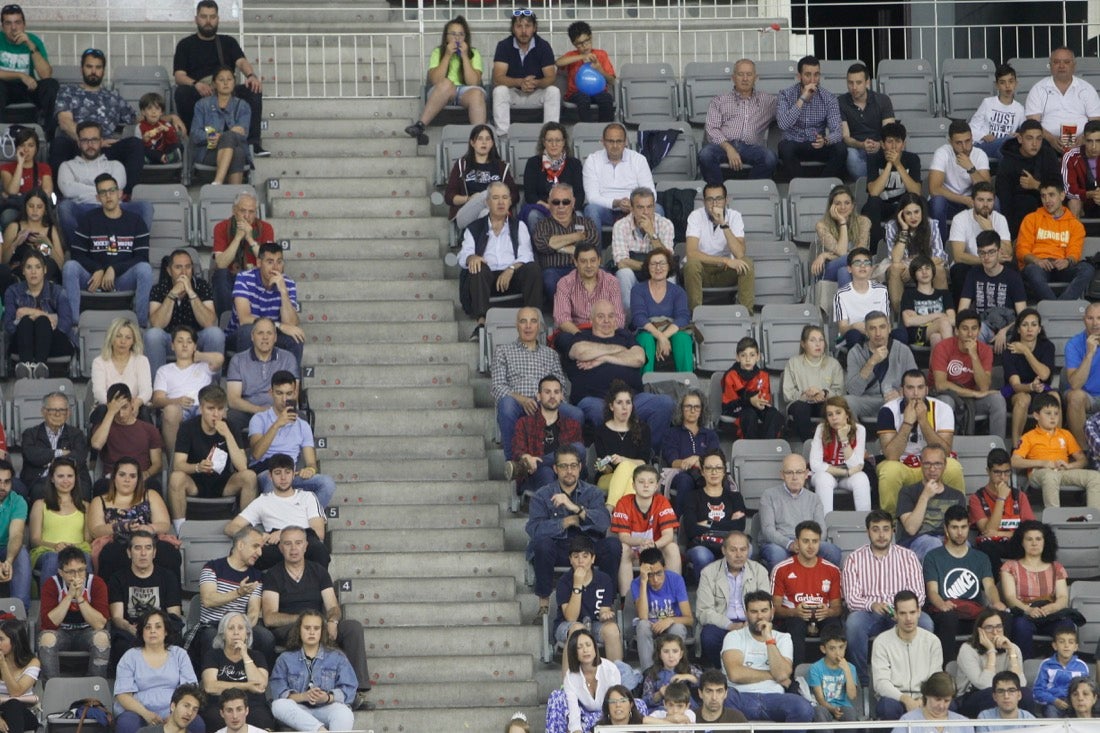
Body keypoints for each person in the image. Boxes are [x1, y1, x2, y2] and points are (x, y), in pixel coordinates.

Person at [260, 527, 372, 710]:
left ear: (306, 546)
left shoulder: (318, 571)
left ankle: (356, 691)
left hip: (320, 623)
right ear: (280, 548)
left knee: (352, 627)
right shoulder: (273, 575)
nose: (293, 548)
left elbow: (333, 607)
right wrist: (306, 620)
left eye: (298, 543)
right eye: (287, 544)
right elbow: (270, 618)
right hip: (290, 627)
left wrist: (333, 621)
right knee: (308, 628)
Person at [562, 299, 675, 450]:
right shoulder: (581, 336)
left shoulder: (625, 336)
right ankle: (612, 456)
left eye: (610, 316)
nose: (606, 321)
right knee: (598, 412)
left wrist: (603, 358)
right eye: (601, 316)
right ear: (591, 319)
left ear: (616, 319)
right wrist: (622, 351)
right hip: (595, 399)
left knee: (665, 404)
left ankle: (647, 453)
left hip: (633, 399)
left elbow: (639, 358)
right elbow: (581, 352)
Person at [842, 510, 934, 684]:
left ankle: (917, 677)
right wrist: (872, 604)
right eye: (875, 529)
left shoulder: (908, 557)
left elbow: (919, 595)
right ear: (867, 532)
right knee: (853, 624)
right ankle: (861, 680)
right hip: (869, 612)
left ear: (893, 530)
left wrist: (901, 610)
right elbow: (851, 598)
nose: (881, 535)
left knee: (925, 623)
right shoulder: (854, 558)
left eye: (886, 529)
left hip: (901, 610)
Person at [52, 50, 152, 200]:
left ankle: (125, 196)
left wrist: (170, 117)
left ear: (103, 71)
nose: (94, 71)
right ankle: (59, 199)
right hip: (78, 146)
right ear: (82, 69)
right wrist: (93, 141)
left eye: (98, 67)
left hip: (107, 150)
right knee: (59, 143)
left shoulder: (112, 96)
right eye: (89, 66)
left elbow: (136, 119)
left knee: (135, 144)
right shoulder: (68, 92)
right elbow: (65, 122)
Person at [173, 0, 265, 156]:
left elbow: (241, 62)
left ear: (218, 19)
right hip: (201, 89)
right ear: (196, 19)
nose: (208, 21)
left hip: (226, 87)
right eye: (204, 17)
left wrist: (251, 76)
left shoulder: (228, 42)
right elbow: (179, 76)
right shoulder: (185, 44)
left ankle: (252, 143)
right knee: (182, 93)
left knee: (253, 89)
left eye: (212, 17)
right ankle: (193, 142)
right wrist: (196, 84)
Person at [63, 173, 154, 328]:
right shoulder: (88, 219)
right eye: (103, 193)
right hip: (93, 279)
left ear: (120, 194)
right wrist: (97, 269)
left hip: (123, 279)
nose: (108, 196)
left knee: (145, 270)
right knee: (69, 267)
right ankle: (74, 325)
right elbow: (77, 254)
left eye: (112, 191)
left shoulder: (136, 221)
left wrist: (114, 269)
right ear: (98, 198)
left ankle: (141, 326)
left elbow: (142, 257)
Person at [458, 181, 542, 339]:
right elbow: (463, 255)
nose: (501, 202)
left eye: (505, 197)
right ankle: (481, 323)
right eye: (496, 198)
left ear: (511, 201)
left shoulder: (519, 226)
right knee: (476, 268)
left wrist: (510, 269)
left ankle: (534, 319)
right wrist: (472, 257)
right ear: (487, 202)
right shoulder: (474, 228)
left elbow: (526, 255)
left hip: (513, 276)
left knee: (533, 269)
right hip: (486, 279)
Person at [923, 505, 1007, 662]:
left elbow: (989, 586)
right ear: (946, 528)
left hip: (973, 614)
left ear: (969, 527)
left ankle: (1000, 667)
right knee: (948, 617)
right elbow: (932, 591)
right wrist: (942, 604)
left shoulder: (980, 557)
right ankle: (945, 670)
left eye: (963, 527)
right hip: (945, 613)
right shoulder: (933, 557)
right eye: (954, 527)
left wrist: (996, 602)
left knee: (1003, 616)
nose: (960, 532)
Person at [876, 369, 965, 517]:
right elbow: (891, 455)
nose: (916, 393)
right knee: (889, 470)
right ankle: (890, 522)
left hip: (930, 464)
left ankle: (957, 518)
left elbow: (945, 452)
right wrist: (907, 423)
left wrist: (923, 421)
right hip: (901, 464)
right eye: (910, 388)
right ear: (902, 390)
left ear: (927, 389)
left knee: (953, 467)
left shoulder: (943, 409)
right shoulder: (887, 411)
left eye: (920, 387)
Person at [721, 589, 814, 724]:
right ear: (746, 614)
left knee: (803, 708)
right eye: (754, 612)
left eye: (764, 611)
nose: (760, 616)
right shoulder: (734, 636)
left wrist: (769, 639)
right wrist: (773, 675)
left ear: (772, 612)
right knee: (723, 699)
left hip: (775, 698)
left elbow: (782, 674)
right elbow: (735, 674)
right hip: (740, 697)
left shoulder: (783, 638)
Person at [168, 384, 257, 524]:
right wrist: (198, 467)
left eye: (220, 409)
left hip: (223, 482)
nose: (216, 414)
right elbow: (178, 465)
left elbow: (242, 467)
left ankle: (244, 527)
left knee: (249, 476)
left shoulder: (231, 426)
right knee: (176, 477)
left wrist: (228, 435)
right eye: (211, 408)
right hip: (195, 482)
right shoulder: (188, 427)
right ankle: (180, 529)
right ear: (201, 409)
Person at [192, 526, 276, 673]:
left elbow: (254, 612)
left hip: (241, 625)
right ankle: (207, 683)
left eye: (261, 548)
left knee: (266, 638)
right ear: (240, 545)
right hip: (212, 625)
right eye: (256, 546)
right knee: (210, 636)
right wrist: (238, 592)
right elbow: (208, 600)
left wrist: (241, 630)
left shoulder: (256, 576)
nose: (260, 553)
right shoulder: (213, 567)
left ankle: (260, 683)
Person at [224, 453, 327, 570]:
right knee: (250, 555)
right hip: (276, 544)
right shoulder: (263, 501)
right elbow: (231, 527)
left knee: (319, 550)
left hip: (304, 540)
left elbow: (319, 533)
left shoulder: (308, 497)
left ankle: (322, 587)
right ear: (270, 476)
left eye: (287, 472)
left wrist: (284, 534)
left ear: (294, 474)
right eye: (278, 473)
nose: (283, 478)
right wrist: (258, 536)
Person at [86, 456, 180, 585]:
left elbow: (164, 524)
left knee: (168, 553)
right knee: (110, 555)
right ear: (114, 477)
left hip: (147, 540)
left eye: (132, 476)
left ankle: (171, 601)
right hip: (116, 542)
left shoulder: (150, 494)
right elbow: (95, 530)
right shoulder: (99, 500)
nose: (127, 480)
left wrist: (149, 528)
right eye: (122, 475)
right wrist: (121, 526)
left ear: (138, 479)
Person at [248, 371, 335, 507]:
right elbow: (257, 453)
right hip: (266, 471)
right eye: (279, 393)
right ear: (271, 393)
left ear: (295, 394)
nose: (284, 399)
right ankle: (274, 526)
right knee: (275, 479)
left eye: (289, 394)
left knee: (327, 483)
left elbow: (311, 462)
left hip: (291, 473)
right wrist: (277, 424)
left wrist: (310, 470)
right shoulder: (259, 419)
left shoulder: (303, 425)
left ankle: (305, 521)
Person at [114, 609, 201, 733]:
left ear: (165, 631)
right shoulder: (130, 656)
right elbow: (123, 695)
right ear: (142, 632)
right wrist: (146, 714)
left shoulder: (179, 654)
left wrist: (173, 716)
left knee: (197, 723)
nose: (152, 631)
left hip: (175, 711)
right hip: (139, 712)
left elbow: (190, 691)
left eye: (158, 627)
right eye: (147, 627)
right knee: (126, 723)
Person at [269, 610, 357, 731]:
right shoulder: (285, 659)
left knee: (344, 713)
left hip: (327, 708)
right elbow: (279, 693)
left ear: (322, 631)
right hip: (298, 710)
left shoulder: (337, 657)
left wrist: (327, 697)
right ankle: (320, 730)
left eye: (316, 628)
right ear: (299, 630)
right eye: (307, 628)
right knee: (278, 706)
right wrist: (304, 696)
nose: (311, 632)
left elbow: (350, 689)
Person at [771, 520, 843, 667]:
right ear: (797, 543)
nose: (810, 546)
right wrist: (794, 612)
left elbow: (838, 608)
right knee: (795, 626)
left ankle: (837, 675)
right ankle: (794, 678)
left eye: (815, 541)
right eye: (805, 541)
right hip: (793, 618)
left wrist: (828, 612)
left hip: (823, 617)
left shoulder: (832, 570)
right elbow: (775, 609)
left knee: (835, 628)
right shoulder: (781, 569)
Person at [107, 530, 185, 665]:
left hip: (161, 629)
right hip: (131, 631)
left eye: (148, 548)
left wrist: (157, 630)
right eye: (137, 548)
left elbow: (174, 615)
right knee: (120, 643)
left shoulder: (168, 577)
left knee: (176, 641)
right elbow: (117, 618)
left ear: (154, 553)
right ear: (129, 553)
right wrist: (132, 628)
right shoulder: (117, 578)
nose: (143, 553)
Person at [404, 16, 486, 143]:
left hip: (466, 92)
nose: (457, 38)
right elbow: (436, 80)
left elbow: (473, 82)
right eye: (453, 34)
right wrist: (447, 55)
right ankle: (420, 126)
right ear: (446, 37)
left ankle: (480, 138)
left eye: (461, 34)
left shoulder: (474, 53)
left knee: (477, 93)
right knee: (446, 84)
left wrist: (464, 56)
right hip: (442, 91)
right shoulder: (438, 52)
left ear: (466, 37)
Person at [696, 531, 769, 670]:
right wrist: (729, 625)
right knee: (709, 636)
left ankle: (751, 670)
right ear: (724, 550)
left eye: (743, 549)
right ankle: (723, 671)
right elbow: (703, 612)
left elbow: (766, 606)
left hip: (751, 621)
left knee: (765, 631)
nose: (739, 555)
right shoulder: (708, 572)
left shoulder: (760, 571)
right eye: (733, 550)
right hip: (721, 623)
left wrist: (752, 621)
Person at [697, 59, 777, 183]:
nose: (745, 78)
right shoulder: (719, 100)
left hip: (752, 148)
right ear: (733, 78)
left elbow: (787, 115)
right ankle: (719, 193)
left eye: (749, 74)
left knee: (770, 158)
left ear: (756, 78)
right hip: (723, 146)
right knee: (705, 154)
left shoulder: (768, 102)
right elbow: (711, 129)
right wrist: (729, 149)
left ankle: (749, 192)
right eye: (740, 74)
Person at [1000, 520, 1073, 659]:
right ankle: (1024, 667)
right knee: (1020, 625)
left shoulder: (1056, 567)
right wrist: (1029, 610)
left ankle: (1058, 667)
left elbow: (1063, 598)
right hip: (1023, 614)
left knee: (1067, 625)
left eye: (1038, 539)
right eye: (1029, 539)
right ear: (1021, 542)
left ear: (1045, 542)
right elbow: (1010, 598)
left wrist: (1051, 608)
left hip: (1050, 614)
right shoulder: (1010, 567)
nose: (1034, 543)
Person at [930, 309, 1007, 437]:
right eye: (965, 329)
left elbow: (984, 387)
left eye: (974, 328)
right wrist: (974, 393)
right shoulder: (943, 347)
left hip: (971, 399)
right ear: (956, 331)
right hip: (946, 396)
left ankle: (998, 450)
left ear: (979, 330)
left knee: (997, 400)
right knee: (946, 401)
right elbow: (941, 385)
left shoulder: (985, 351)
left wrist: (974, 356)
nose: (970, 334)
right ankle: (946, 449)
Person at [37, 544, 109, 680]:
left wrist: (80, 598)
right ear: (60, 572)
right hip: (61, 632)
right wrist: (69, 596)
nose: (76, 576)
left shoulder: (96, 583)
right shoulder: (51, 584)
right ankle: (53, 687)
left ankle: (95, 686)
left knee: (102, 638)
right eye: (70, 572)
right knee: (46, 638)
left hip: (87, 632)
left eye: (81, 570)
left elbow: (100, 624)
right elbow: (49, 624)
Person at [757, 454, 841, 570]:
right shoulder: (769, 495)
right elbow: (768, 530)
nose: (795, 477)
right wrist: (790, 544)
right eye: (789, 472)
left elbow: (821, 530)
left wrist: (807, 544)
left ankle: (818, 585)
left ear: (806, 474)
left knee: (833, 551)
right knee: (777, 555)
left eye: (799, 472)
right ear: (782, 475)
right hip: (780, 543)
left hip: (807, 541)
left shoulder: (814, 498)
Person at [1015, 393, 1100, 508]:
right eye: (1048, 413)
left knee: (1095, 477)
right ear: (1036, 415)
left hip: (1063, 471)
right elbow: (1014, 461)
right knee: (1050, 476)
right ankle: (1054, 518)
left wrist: (1069, 466)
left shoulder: (1065, 434)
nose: (1053, 417)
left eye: (1056, 413)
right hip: (1039, 472)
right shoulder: (1028, 436)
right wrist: (1043, 463)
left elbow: (1083, 460)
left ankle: (1095, 520)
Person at [150, 326, 222, 461]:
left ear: (194, 345)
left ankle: (206, 460)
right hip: (179, 409)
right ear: (172, 346)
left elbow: (219, 359)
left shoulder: (204, 366)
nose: (184, 345)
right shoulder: (164, 370)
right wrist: (176, 401)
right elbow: (157, 400)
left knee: (212, 410)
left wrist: (199, 356)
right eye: (180, 341)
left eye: (189, 342)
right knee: (170, 411)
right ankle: (174, 463)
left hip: (202, 407)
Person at [871, 590, 945, 720]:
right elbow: (881, 683)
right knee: (887, 706)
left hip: (926, 698)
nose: (908, 618)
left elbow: (936, 679)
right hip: (896, 698)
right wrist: (905, 699)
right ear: (895, 614)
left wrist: (923, 700)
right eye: (903, 613)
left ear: (919, 612)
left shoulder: (932, 641)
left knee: (948, 704)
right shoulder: (881, 642)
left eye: (912, 612)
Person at [508, 374, 583, 500]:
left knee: (578, 449)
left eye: (556, 392)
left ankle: (540, 461)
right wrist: (525, 456)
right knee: (547, 472)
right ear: (538, 396)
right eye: (547, 392)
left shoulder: (572, 425)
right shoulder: (525, 423)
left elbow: (579, 458)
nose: (552, 396)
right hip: (537, 476)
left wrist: (536, 460)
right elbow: (517, 450)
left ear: (561, 396)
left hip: (567, 474)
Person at [227, 242, 304, 366]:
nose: (275, 267)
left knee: (295, 338)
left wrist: (283, 292)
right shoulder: (244, 278)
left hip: (272, 333)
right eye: (270, 262)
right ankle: (249, 382)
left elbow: (291, 324)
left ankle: (290, 383)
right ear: (259, 263)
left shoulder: (288, 283)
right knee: (248, 331)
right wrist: (279, 325)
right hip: (240, 334)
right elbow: (244, 319)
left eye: (279, 262)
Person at [682, 182, 755, 311]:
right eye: (710, 199)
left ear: (726, 200)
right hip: (701, 269)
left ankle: (745, 316)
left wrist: (723, 224)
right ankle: (695, 316)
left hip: (725, 271)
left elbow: (740, 254)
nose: (714, 204)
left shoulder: (735, 216)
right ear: (704, 202)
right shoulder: (695, 216)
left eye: (719, 199)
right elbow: (691, 253)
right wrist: (725, 260)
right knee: (691, 265)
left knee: (746, 263)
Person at [1017, 178, 1093, 301]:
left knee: (1087, 269)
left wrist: (1068, 261)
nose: (1047, 200)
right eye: (1043, 196)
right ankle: (1057, 306)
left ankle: (1059, 306)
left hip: (1062, 265)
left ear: (1062, 196)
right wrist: (1036, 260)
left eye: (1051, 195)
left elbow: (1075, 251)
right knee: (1031, 270)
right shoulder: (1031, 219)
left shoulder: (1075, 224)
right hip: (1039, 265)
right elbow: (1022, 250)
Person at [3, 249, 73, 379]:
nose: (33, 272)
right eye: (29, 267)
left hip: (52, 342)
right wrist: (34, 323)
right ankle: (26, 366)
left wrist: (34, 313)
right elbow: (9, 325)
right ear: (23, 271)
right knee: (26, 322)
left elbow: (65, 324)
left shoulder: (58, 291)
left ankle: (40, 366)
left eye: (38, 267)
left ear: (44, 270)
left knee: (41, 321)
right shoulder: (12, 292)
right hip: (23, 342)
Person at [224, 317, 298, 439]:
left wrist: (277, 412)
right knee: (230, 419)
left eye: (269, 333)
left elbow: (293, 394)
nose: (265, 337)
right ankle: (238, 456)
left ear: (275, 337)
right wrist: (259, 410)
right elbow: (233, 400)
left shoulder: (288, 358)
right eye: (260, 333)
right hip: (248, 411)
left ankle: (293, 457)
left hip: (280, 408)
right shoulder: (238, 360)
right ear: (252, 337)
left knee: (300, 418)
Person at [199, 613, 274, 732]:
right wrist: (246, 686)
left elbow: (260, 685)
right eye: (230, 628)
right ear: (223, 635)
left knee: (262, 719)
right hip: (221, 706)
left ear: (247, 634)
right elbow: (210, 686)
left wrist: (245, 655)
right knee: (213, 717)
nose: (236, 632)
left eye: (240, 628)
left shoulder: (257, 656)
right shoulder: (213, 655)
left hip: (252, 705)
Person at [551, 535, 621, 663]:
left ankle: (616, 677)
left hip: (594, 623)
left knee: (612, 629)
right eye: (576, 557)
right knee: (577, 629)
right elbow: (571, 617)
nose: (580, 561)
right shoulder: (564, 581)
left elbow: (603, 611)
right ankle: (569, 682)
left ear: (593, 558)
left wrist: (605, 615)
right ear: (570, 560)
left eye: (585, 556)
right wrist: (577, 585)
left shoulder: (604, 579)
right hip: (567, 626)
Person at [611, 465, 678, 597]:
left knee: (672, 547)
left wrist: (653, 545)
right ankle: (627, 599)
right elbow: (623, 537)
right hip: (634, 552)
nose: (646, 486)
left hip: (656, 550)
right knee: (623, 548)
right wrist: (641, 542)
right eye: (641, 482)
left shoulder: (662, 502)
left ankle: (672, 596)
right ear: (634, 485)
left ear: (657, 485)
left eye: (651, 482)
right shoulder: (624, 502)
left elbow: (669, 535)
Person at [490, 8, 558, 138]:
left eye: (528, 26)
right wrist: (520, 82)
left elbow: (551, 77)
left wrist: (535, 83)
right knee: (499, 91)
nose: (523, 31)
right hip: (513, 93)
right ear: (513, 28)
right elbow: (498, 78)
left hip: (535, 92)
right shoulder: (504, 46)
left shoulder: (543, 46)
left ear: (534, 28)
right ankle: (503, 135)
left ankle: (551, 136)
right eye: (519, 26)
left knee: (553, 91)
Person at [776, 55, 845, 179]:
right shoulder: (785, 95)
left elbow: (838, 131)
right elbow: (782, 124)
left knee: (841, 149)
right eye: (808, 75)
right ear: (799, 76)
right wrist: (802, 98)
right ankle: (802, 185)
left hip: (817, 144)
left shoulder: (829, 98)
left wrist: (825, 140)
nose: (813, 80)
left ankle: (824, 184)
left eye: (816, 75)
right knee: (784, 148)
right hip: (794, 142)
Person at [681, 449, 746, 581]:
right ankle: (708, 593)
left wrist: (708, 523)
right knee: (702, 556)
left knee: (746, 551)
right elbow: (691, 529)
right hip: (701, 545)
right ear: (702, 472)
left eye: (718, 468)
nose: (714, 472)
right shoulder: (692, 497)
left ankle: (736, 591)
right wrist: (728, 524)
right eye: (709, 468)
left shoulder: (735, 497)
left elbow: (739, 527)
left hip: (731, 544)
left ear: (724, 471)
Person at [957, 230, 1028, 351]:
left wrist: (1004, 331)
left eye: (991, 252)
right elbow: (962, 311)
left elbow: (1023, 316)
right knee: (971, 333)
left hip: (1007, 327)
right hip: (980, 327)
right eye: (982, 253)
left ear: (999, 252)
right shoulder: (973, 274)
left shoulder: (1012, 277)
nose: (986, 257)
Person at [969, 448, 1036, 575]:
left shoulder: (1019, 496)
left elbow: (1030, 531)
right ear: (988, 471)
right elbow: (987, 531)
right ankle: (1000, 583)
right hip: (992, 546)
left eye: (1006, 473)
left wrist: (1000, 534)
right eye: (997, 473)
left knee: (1036, 543)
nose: (1003, 478)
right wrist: (1001, 498)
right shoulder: (976, 498)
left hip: (1016, 543)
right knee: (986, 545)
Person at [843, 310, 918, 422]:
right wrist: (871, 362)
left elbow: (916, 382)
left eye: (882, 327)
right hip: (867, 400)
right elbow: (853, 391)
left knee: (914, 401)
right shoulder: (855, 352)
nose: (878, 333)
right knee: (846, 402)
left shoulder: (903, 350)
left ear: (889, 328)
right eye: (872, 328)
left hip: (896, 399)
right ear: (866, 332)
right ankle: (855, 438)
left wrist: (900, 393)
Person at [551, 242, 623, 357]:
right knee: (564, 339)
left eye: (593, 260)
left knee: (627, 339)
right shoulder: (565, 283)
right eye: (583, 261)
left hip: (606, 331)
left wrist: (601, 334)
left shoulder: (611, 282)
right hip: (576, 333)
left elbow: (618, 318)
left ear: (599, 261)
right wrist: (583, 336)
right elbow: (561, 319)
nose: (589, 265)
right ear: (575, 262)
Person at [544, 628, 623, 733]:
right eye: (579, 647)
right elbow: (573, 709)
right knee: (557, 696)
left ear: (595, 648)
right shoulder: (570, 676)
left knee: (638, 704)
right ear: (574, 652)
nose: (585, 650)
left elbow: (615, 701)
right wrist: (576, 730)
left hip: (607, 715)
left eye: (588, 645)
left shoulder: (610, 669)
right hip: (583, 717)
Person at [1025, 46, 1100, 154]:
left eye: (1066, 62)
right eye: (1056, 62)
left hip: (1083, 143)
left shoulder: (1086, 89)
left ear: (1074, 66)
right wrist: (1051, 139)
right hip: (1047, 144)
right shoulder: (1038, 89)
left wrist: (1083, 137)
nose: (1061, 66)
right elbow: (1032, 123)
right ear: (1050, 66)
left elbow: (1096, 121)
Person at [89, 384, 163, 493]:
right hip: (112, 478)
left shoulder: (149, 429)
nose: (121, 414)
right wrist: (110, 413)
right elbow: (96, 444)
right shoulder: (103, 427)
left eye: (124, 407)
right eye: (117, 410)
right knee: (100, 486)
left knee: (153, 486)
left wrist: (146, 474)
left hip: (140, 477)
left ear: (132, 403)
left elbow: (157, 463)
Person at [444, 124, 518, 232]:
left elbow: (514, 195)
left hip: (493, 212)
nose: (484, 142)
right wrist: (469, 199)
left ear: (492, 143)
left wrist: (500, 202)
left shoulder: (501, 167)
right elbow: (449, 196)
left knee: (486, 213)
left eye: (488, 139)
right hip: (466, 213)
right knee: (488, 194)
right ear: (472, 143)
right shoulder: (462, 164)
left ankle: (483, 245)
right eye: (480, 139)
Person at [581, 123, 656, 229]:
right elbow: (592, 198)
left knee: (658, 210)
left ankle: (653, 245)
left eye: (619, 141)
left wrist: (635, 205)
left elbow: (651, 193)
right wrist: (616, 203)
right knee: (591, 210)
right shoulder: (592, 160)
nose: (615, 146)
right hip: (606, 210)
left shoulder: (638, 159)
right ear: (603, 142)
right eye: (610, 141)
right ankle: (593, 246)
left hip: (635, 208)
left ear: (625, 142)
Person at [882, 193, 948, 314]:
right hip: (903, 268)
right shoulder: (892, 226)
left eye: (916, 212)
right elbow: (895, 259)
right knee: (895, 268)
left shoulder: (931, 224)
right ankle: (901, 315)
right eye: (908, 213)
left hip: (926, 266)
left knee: (939, 269)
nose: (913, 217)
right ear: (901, 215)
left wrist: (915, 267)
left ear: (922, 212)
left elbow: (939, 256)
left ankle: (940, 313)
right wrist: (904, 230)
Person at [947, 182, 1014, 300]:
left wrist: (990, 229)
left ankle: (1008, 312)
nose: (985, 204)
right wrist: (988, 260)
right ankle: (962, 314)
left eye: (989, 200)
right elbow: (958, 256)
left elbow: (1008, 253)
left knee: (1011, 267)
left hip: (995, 264)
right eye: (981, 200)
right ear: (972, 202)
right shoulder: (960, 219)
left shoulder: (1000, 219)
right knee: (959, 269)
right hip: (970, 264)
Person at [996, 119, 1063, 237]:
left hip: (1046, 206)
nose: (1035, 143)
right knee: (1024, 202)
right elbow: (1005, 201)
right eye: (1029, 138)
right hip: (1019, 212)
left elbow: (1059, 188)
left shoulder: (1048, 154)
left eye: (1039, 138)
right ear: (1020, 139)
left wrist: (1036, 185)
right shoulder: (1008, 162)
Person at [610, 187, 673, 311]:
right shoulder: (620, 226)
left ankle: (665, 317)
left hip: (658, 273)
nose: (646, 212)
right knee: (624, 274)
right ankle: (629, 321)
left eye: (649, 207)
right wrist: (652, 266)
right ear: (632, 209)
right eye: (640, 207)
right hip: (634, 274)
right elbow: (622, 262)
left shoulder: (665, 224)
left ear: (654, 207)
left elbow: (668, 261)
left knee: (671, 276)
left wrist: (652, 233)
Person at [28, 457, 90, 583]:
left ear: (75, 478)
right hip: (47, 551)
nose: (65, 480)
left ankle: (84, 600)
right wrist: (55, 546)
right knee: (53, 559)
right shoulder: (40, 504)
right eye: (60, 476)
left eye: (70, 476)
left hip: (77, 550)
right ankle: (49, 602)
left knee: (84, 559)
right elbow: (35, 540)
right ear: (52, 478)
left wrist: (72, 548)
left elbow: (88, 539)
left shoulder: (85, 506)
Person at [630, 545, 691, 673]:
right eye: (650, 575)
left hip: (671, 625)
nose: (655, 579)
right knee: (642, 626)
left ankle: (674, 672)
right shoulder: (637, 583)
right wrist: (643, 581)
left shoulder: (676, 580)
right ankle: (649, 675)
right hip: (651, 626)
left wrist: (670, 620)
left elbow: (689, 619)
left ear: (665, 567)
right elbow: (643, 616)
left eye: (659, 573)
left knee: (678, 627)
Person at [929, 119, 992, 242]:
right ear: (950, 142)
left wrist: (971, 169)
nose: (964, 147)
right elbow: (934, 189)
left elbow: (987, 190)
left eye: (968, 141)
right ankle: (940, 250)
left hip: (972, 201)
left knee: (994, 202)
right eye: (959, 143)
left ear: (972, 138)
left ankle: (989, 245)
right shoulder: (942, 153)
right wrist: (963, 199)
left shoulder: (979, 154)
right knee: (937, 202)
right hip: (950, 202)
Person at [956, 610, 1027, 718]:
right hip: (970, 696)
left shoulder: (1013, 648)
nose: (995, 632)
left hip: (1002, 693)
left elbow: (1020, 684)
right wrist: (991, 651)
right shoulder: (967, 649)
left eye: (999, 627)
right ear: (980, 631)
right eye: (989, 628)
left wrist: (1011, 652)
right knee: (990, 694)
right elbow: (985, 685)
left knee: (1026, 695)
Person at [20, 392, 91, 501]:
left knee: (83, 491)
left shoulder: (77, 434)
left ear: (68, 413)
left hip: (72, 479)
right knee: (39, 491)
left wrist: (50, 460)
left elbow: (79, 457)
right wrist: (60, 453)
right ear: (43, 412)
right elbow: (32, 455)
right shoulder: (30, 434)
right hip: (41, 479)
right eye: (52, 410)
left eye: (62, 410)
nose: (57, 414)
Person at [210, 192, 271, 318]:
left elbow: (269, 263)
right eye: (243, 211)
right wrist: (238, 238)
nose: (247, 216)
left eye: (251, 211)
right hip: (230, 278)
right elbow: (221, 263)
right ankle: (226, 319)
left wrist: (250, 239)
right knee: (220, 273)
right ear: (234, 210)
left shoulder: (266, 228)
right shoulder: (221, 227)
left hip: (255, 277)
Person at [0, 4, 58, 136]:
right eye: (8, 23)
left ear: (24, 25)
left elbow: (46, 75)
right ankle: (1, 135)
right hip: (3, 87)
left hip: (28, 88)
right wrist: (20, 75)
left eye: (17, 22)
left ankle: (48, 135)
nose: (13, 28)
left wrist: (30, 45)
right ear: (3, 27)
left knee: (51, 85)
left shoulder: (33, 40)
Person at [630, 249, 691, 373]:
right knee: (646, 340)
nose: (658, 267)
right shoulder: (638, 290)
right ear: (648, 267)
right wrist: (659, 336)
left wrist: (663, 337)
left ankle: (687, 383)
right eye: (653, 264)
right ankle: (645, 385)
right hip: (646, 331)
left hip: (670, 330)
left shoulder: (678, 291)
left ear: (669, 266)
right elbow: (639, 318)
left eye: (662, 263)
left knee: (683, 338)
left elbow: (683, 317)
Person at [661, 393, 722, 515]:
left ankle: (714, 520)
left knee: (715, 478)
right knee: (685, 480)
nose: (692, 410)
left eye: (696, 407)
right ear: (681, 409)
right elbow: (673, 461)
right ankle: (682, 523)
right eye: (688, 406)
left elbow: (715, 458)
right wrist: (685, 462)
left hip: (706, 472)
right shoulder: (672, 433)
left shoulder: (710, 435)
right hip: (680, 473)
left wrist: (697, 459)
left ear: (701, 410)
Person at [809, 396, 872, 513]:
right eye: (830, 414)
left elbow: (857, 465)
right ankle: (825, 525)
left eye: (838, 413)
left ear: (847, 414)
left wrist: (844, 439)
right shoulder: (821, 429)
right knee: (823, 480)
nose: (834, 418)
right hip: (827, 473)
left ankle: (864, 524)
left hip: (848, 475)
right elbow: (815, 465)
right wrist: (845, 472)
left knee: (862, 479)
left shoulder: (859, 430)